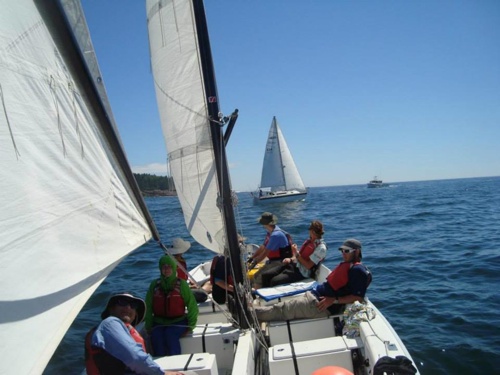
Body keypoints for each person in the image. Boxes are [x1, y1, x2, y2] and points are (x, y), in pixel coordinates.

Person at [254, 239, 372, 321]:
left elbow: (358, 297)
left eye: (347, 251)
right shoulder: (349, 266)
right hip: (313, 295)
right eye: (342, 251)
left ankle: (251, 313)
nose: (343, 254)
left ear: (356, 252)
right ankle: (254, 311)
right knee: (282, 305)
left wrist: (333, 300)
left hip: (318, 305)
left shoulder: (358, 271)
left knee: (282, 310)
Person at [85, 292, 183, 375]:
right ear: (111, 309)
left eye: (133, 305)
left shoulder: (124, 330)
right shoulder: (110, 323)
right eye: (122, 302)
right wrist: (162, 373)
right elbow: (135, 358)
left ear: (135, 314)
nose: (128, 307)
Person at [145, 255, 199, 356]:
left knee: (170, 335)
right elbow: (148, 307)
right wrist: (148, 326)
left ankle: (175, 362)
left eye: (169, 266)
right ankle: (160, 367)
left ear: (174, 268)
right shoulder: (154, 285)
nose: (166, 269)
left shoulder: (182, 284)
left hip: (178, 322)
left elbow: (192, 306)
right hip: (159, 322)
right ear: (160, 268)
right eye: (164, 267)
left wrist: (190, 326)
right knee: (156, 336)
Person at [265, 220, 327, 287]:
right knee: (266, 275)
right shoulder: (309, 241)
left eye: (309, 229)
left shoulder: (321, 248)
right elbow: (298, 257)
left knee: (274, 281)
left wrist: (296, 253)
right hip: (294, 265)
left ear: (312, 231)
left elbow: (308, 265)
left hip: (302, 272)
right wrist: (291, 259)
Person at [249, 212, 293, 289]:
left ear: (265, 224)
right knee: (258, 274)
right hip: (273, 260)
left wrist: (255, 263)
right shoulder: (270, 232)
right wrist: (252, 258)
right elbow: (263, 246)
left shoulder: (275, 235)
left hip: (280, 261)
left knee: (258, 276)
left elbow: (265, 252)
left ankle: (258, 296)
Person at [168, 238, 208, 303]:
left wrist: (190, 282)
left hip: (182, 285)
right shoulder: (175, 263)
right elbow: (175, 283)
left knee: (208, 283)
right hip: (179, 291)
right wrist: (190, 287)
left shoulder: (175, 260)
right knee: (203, 295)